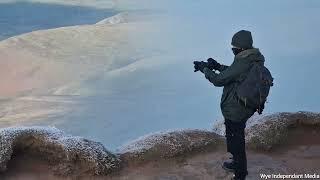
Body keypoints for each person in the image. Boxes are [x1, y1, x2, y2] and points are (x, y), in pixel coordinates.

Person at [194, 30, 267, 180]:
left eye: (234, 47)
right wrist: (218, 66)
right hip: (246, 105)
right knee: (234, 136)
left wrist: (205, 69)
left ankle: (240, 173)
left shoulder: (243, 60)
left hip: (237, 109)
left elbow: (219, 81)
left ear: (240, 47)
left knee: (236, 139)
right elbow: (236, 74)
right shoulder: (253, 57)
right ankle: (237, 163)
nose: (232, 49)